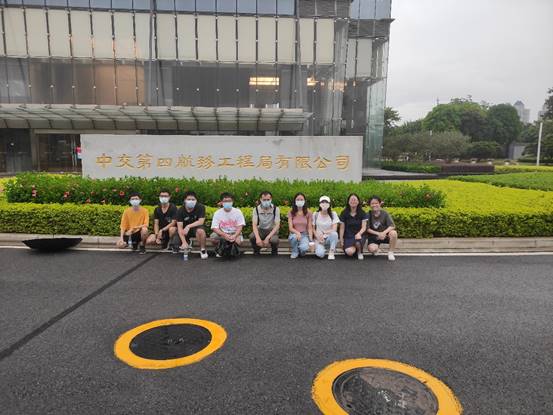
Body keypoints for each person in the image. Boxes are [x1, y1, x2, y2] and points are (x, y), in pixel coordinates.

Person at [172, 191, 208, 259]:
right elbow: (180, 227)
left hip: (196, 228)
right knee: (176, 244)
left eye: (193, 199)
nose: (191, 201)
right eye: (188, 199)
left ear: (196, 200)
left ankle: (203, 250)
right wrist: (184, 242)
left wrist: (188, 226)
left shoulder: (201, 207)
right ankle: (186, 243)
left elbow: (201, 222)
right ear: (184, 200)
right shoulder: (180, 210)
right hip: (184, 231)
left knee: (201, 231)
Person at [210, 192, 245, 257]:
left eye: (229, 201)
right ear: (221, 202)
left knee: (238, 241)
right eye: (225, 201)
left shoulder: (238, 212)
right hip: (223, 233)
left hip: (235, 233)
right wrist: (224, 235)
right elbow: (214, 227)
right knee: (213, 237)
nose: (227, 203)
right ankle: (220, 250)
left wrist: (235, 235)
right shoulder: (217, 213)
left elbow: (240, 226)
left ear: (232, 201)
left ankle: (232, 250)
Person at [366, 196, 398, 261]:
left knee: (393, 233)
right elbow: (367, 229)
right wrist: (378, 234)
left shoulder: (385, 213)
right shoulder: (368, 214)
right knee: (372, 249)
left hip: (385, 235)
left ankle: (391, 252)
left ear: (380, 203)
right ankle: (377, 249)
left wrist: (383, 233)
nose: (374, 205)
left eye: (376, 203)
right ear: (370, 205)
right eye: (372, 203)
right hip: (374, 236)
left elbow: (392, 226)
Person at [249, 191, 280, 255]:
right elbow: (254, 224)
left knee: (274, 240)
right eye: (264, 200)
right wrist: (258, 238)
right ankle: (256, 250)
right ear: (260, 199)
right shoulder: (256, 209)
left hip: (271, 230)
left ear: (271, 199)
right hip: (260, 230)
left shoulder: (276, 209)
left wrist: (268, 238)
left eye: (268, 200)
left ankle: (274, 250)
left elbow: (277, 225)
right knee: (252, 236)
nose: (266, 201)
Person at [339, 193, 367, 260]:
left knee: (357, 242)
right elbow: (342, 228)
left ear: (358, 202)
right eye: (351, 200)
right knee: (349, 252)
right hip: (348, 235)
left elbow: (364, 227)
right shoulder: (344, 213)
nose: (353, 201)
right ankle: (354, 249)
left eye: (355, 200)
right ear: (348, 202)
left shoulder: (362, 213)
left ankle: (359, 252)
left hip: (359, 235)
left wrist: (359, 233)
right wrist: (341, 240)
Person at [313, 195, 340, 260]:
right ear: (319, 204)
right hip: (319, 239)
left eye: (326, 202)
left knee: (334, 234)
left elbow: (334, 229)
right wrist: (318, 237)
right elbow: (313, 229)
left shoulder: (333, 214)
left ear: (329, 204)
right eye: (322, 202)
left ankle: (331, 252)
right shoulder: (315, 214)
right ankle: (323, 248)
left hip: (328, 238)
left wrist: (324, 232)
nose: (324, 204)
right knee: (320, 254)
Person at [287, 192, 313, 259]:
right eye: (298, 200)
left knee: (303, 250)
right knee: (294, 237)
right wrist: (297, 233)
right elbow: (290, 228)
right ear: (295, 201)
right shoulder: (291, 212)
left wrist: (311, 240)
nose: (299, 201)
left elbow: (309, 228)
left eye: (301, 200)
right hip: (294, 234)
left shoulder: (308, 212)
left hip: (304, 235)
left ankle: (299, 247)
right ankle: (294, 251)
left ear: (304, 201)